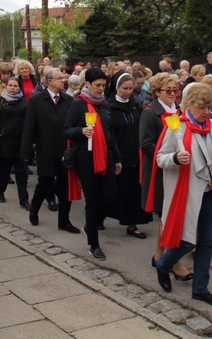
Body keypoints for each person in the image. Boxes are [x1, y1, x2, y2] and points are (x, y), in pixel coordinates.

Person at [155, 83, 212, 306]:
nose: (206, 112)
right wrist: (176, 158)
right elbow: (161, 158)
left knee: (206, 243)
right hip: (185, 193)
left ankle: (200, 288)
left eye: (209, 107)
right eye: (202, 107)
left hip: (208, 191)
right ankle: (163, 264)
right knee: (186, 241)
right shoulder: (177, 126)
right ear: (189, 105)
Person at [64, 67, 121, 260]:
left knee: (111, 198)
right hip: (84, 157)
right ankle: (93, 244)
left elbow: (109, 133)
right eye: (97, 85)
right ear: (87, 84)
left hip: (106, 155)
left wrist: (117, 158)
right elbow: (66, 130)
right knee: (93, 201)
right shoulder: (78, 103)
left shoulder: (105, 104)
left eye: (103, 85)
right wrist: (81, 131)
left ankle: (91, 224)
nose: (101, 89)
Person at [140, 72, 192, 279]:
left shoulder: (179, 111)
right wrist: (169, 156)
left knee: (168, 215)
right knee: (168, 216)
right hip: (160, 171)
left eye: (175, 90)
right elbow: (146, 144)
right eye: (168, 90)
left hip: (178, 168)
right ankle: (174, 262)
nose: (173, 93)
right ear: (157, 92)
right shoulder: (150, 112)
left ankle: (159, 254)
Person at [21, 68, 78, 232]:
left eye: (63, 77)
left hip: (65, 150)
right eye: (59, 78)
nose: (63, 80)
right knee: (44, 183)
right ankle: (34, 209)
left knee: (65, 186)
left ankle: (64, 221)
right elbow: (29, 127)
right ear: (49, 81)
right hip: (45, 149)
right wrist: (26, 153)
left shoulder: (68, 100)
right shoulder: (37, 100)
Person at [107, 71, 152, 239]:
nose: (128, 92)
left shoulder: (137, 105)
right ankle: (98, 217)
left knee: (134, 191)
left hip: (135, 154)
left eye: (131, 88)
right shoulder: (108, 107)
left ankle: (132, 224)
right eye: (124, 88)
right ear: (116, 88)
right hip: (117, 154)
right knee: (113, 192)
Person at [0, 76, 29, 208]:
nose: (12, 88)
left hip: (20, 143)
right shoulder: (0, 101)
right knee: (3, 171)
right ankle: (0, 192)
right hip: (5, 142)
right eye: (10, 85)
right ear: (6, 86)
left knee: (21, 173)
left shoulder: (24, 103)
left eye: (15, 86)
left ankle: (24, 200)